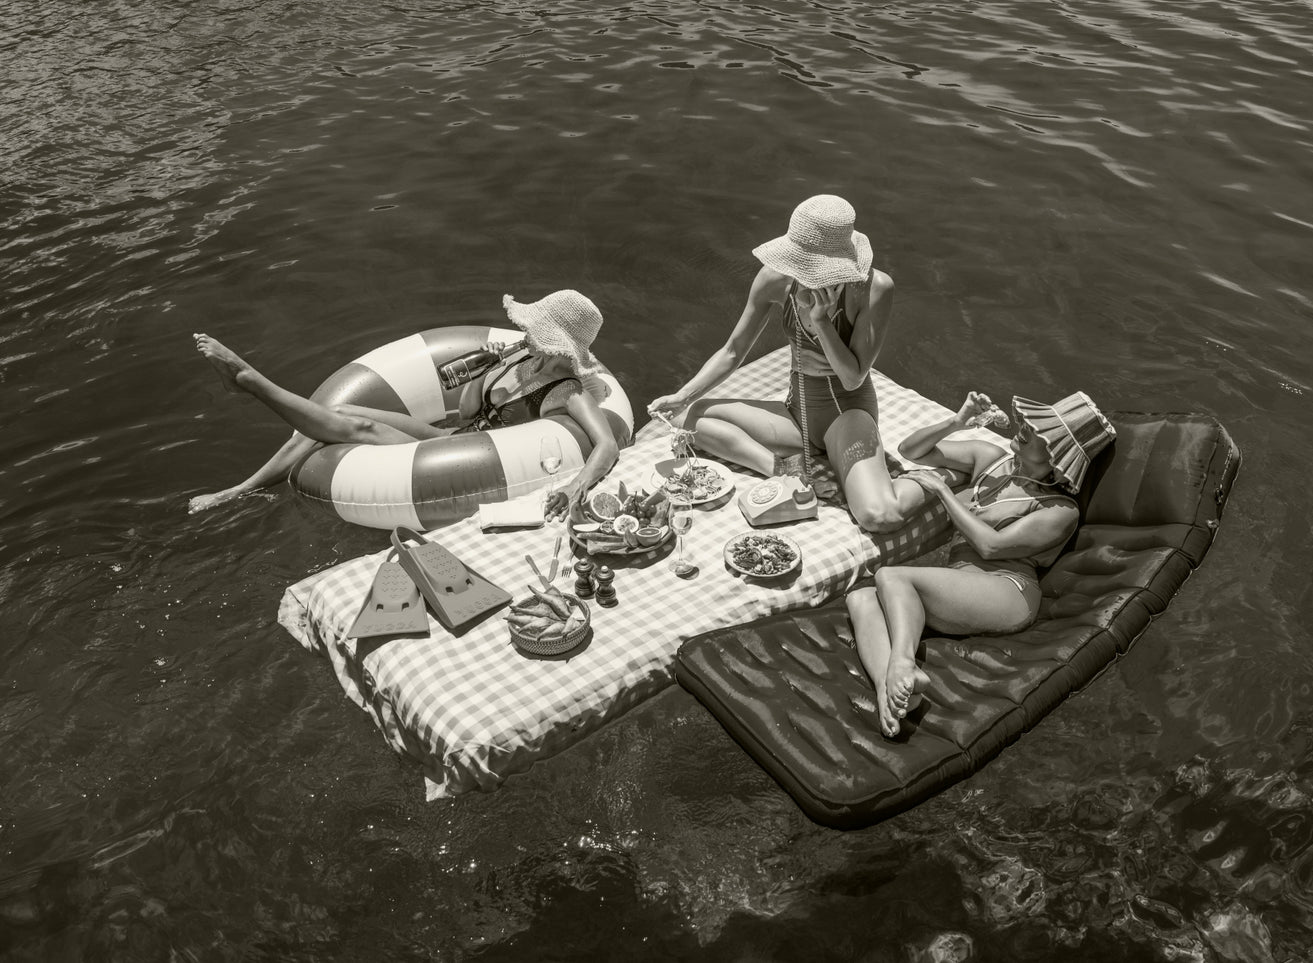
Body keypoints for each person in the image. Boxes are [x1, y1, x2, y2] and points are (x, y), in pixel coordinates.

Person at [188, 289, 619, 522]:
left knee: (360, 429)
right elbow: (466, 414)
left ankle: (251, 382)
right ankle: (241, 489)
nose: (525, 335)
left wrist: (575, 486)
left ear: (557, 346)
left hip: (469, 460)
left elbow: (607, 445)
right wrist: (485, 371)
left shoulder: (565, 390)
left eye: (535, 332)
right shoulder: (520, 359)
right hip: (453, 436)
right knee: (344, 413)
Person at [846, 390, 1116, 736]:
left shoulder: (1059, 510)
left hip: (1007, 591)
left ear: (1056, 458)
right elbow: (911, 450)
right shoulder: (991, 459)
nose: (1025, 427)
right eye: (1030, 422)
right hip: (961, 581)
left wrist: (944, 493)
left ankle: (903, 662)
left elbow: (991, 546)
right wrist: (957, 422)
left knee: (891, 577)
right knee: (861, 598)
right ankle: (890, 695)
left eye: (1039, 432)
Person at [648, 194, 923, 533]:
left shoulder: (873, 288)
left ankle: (935, 482)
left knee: (880, 517)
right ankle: (783, 469)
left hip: (847, 415)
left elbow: (852, 378)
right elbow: (733, 350)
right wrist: (683, 395)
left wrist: (821, 322)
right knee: (688, 419)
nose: (802, 271)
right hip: (797, 414)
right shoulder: (775, 280)